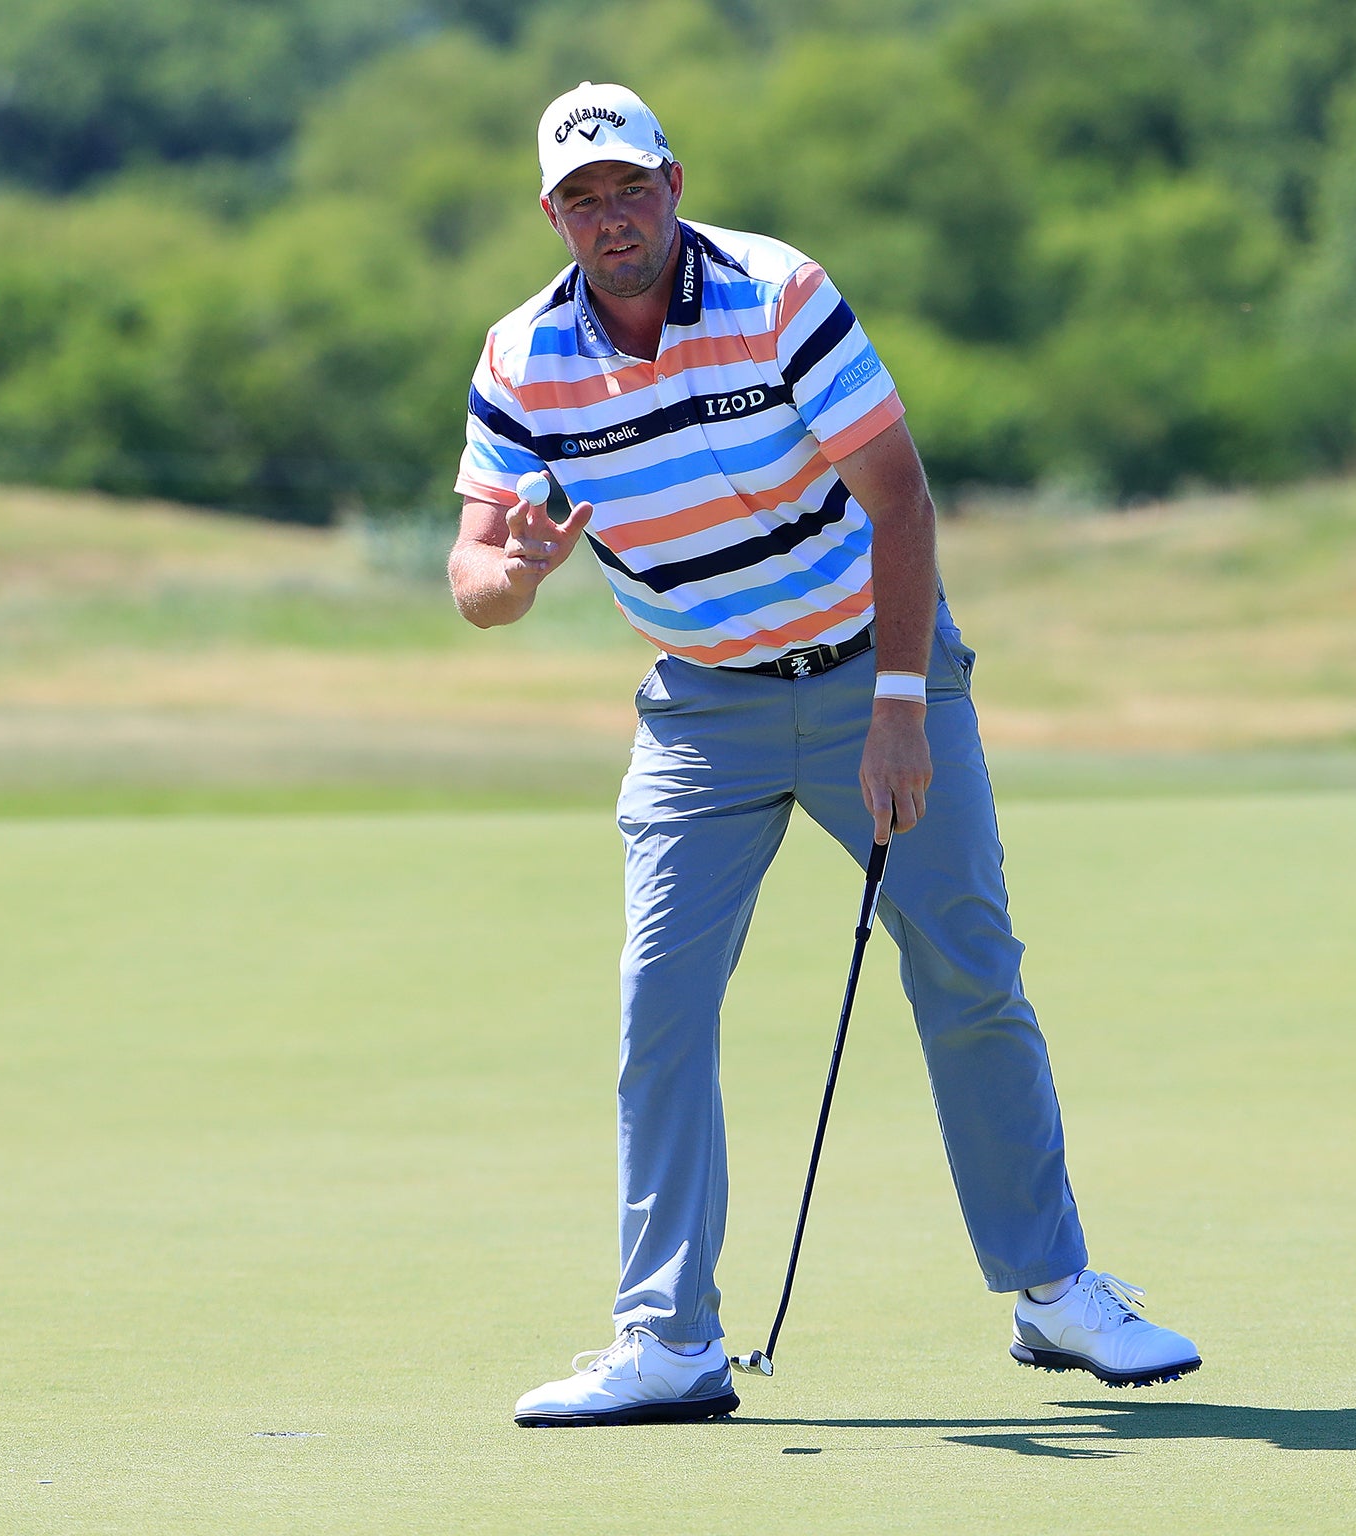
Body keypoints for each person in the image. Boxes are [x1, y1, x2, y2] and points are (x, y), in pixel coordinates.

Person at [450, 82, 1201, 1428]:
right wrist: (511, 570)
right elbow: (475, 579)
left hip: (875, 670)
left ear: (673, 181)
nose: (611, 217)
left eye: (631, 188)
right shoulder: (522, 359)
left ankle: (1055, 1293)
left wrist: (902, 705)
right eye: (583, 199)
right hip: (701, 712)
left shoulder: (777, 295)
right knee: (660, 1007)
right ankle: (667, 1338)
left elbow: (899, 492)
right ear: (552, 214)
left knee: (969, 972)